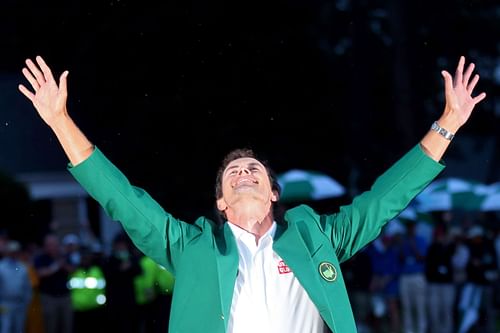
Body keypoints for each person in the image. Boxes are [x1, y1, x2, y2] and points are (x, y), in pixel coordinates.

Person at [18, 55, 485, 333]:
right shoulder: (190, 246)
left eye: (253, 168)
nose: (243, 171)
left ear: (273, 193)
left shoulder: (315, 236)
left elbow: (386, 199)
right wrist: (60, 121)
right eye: (233, 171)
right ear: (220, 201)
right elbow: (120, 196)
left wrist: (448, 125)